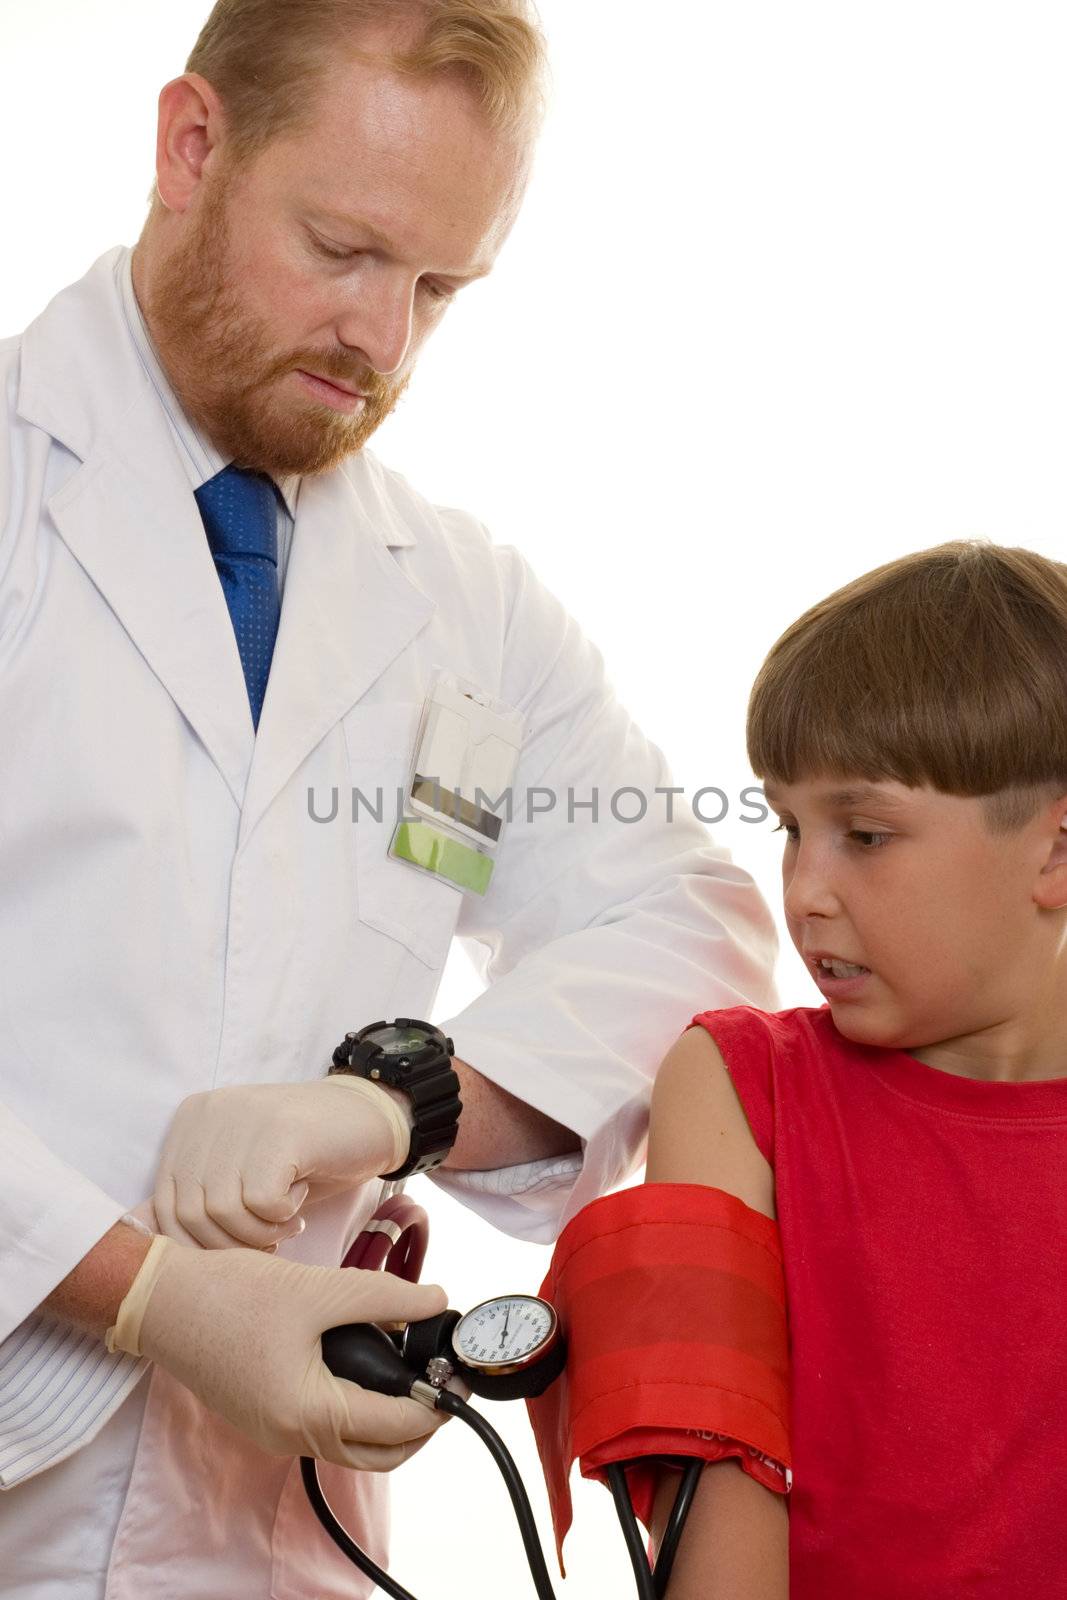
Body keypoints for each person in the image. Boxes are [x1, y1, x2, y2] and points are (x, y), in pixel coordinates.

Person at [0, 3, 779, 1596]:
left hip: (276, 1543)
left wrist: (394, 1106)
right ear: (189, 146)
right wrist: (146, 1294)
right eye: (342, 249)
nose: (383, 340)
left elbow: (686, 921)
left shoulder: (463, 602)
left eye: (439, 286)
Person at [641, 538, 1067, 1598]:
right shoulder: (739, 1089)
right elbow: (719, 1492)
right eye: (789, 828)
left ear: (1055, 854)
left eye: (864, 834)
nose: (803, 891)